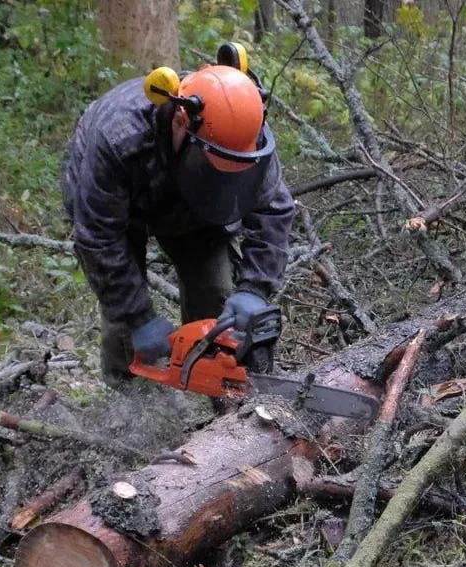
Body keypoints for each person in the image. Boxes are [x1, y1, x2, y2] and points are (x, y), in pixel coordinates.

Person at [60, 44, 293, 386]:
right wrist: (138, 318)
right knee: (123, 321)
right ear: (181, 121)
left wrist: (255, 288)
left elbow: (273, 208)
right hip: (117, 197)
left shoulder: (246, 133)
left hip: (197, 199)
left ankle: (214, 387)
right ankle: (128, 398)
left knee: (215, 293)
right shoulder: (119, 137)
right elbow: (98, 236)